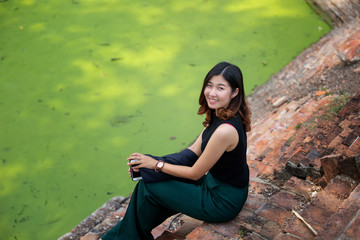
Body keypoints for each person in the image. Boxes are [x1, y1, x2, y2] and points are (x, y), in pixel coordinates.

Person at [101, 61, 251, 240]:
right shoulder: (220, 115)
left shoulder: (225, 131)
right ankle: (128, 236)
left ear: (235, 92)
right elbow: (191, 153)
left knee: (149, 187)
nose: (212, 93)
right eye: (209, 85)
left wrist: (156, 165)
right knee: (150, 185)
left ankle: (121, 237)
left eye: (220, 88)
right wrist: (148, 165)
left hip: (221, 201)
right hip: (213, 185)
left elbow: (195, 173)